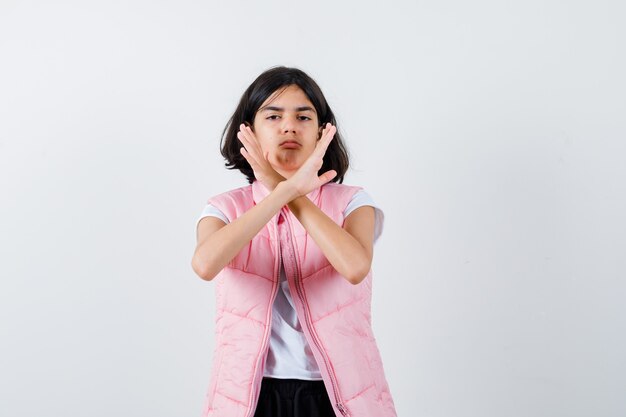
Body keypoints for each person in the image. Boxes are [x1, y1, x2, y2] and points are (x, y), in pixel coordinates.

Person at [192, 66, 397, 417]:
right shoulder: (225, 207)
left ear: (321, 132)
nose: (289, 126)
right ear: (249, 131)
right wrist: (279, 189)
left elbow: (354, 266)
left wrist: (289, 192)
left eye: (303, 116)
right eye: (273, 116)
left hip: (338, 395)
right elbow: (205, 264)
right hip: (250, 396)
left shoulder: (353, 202)